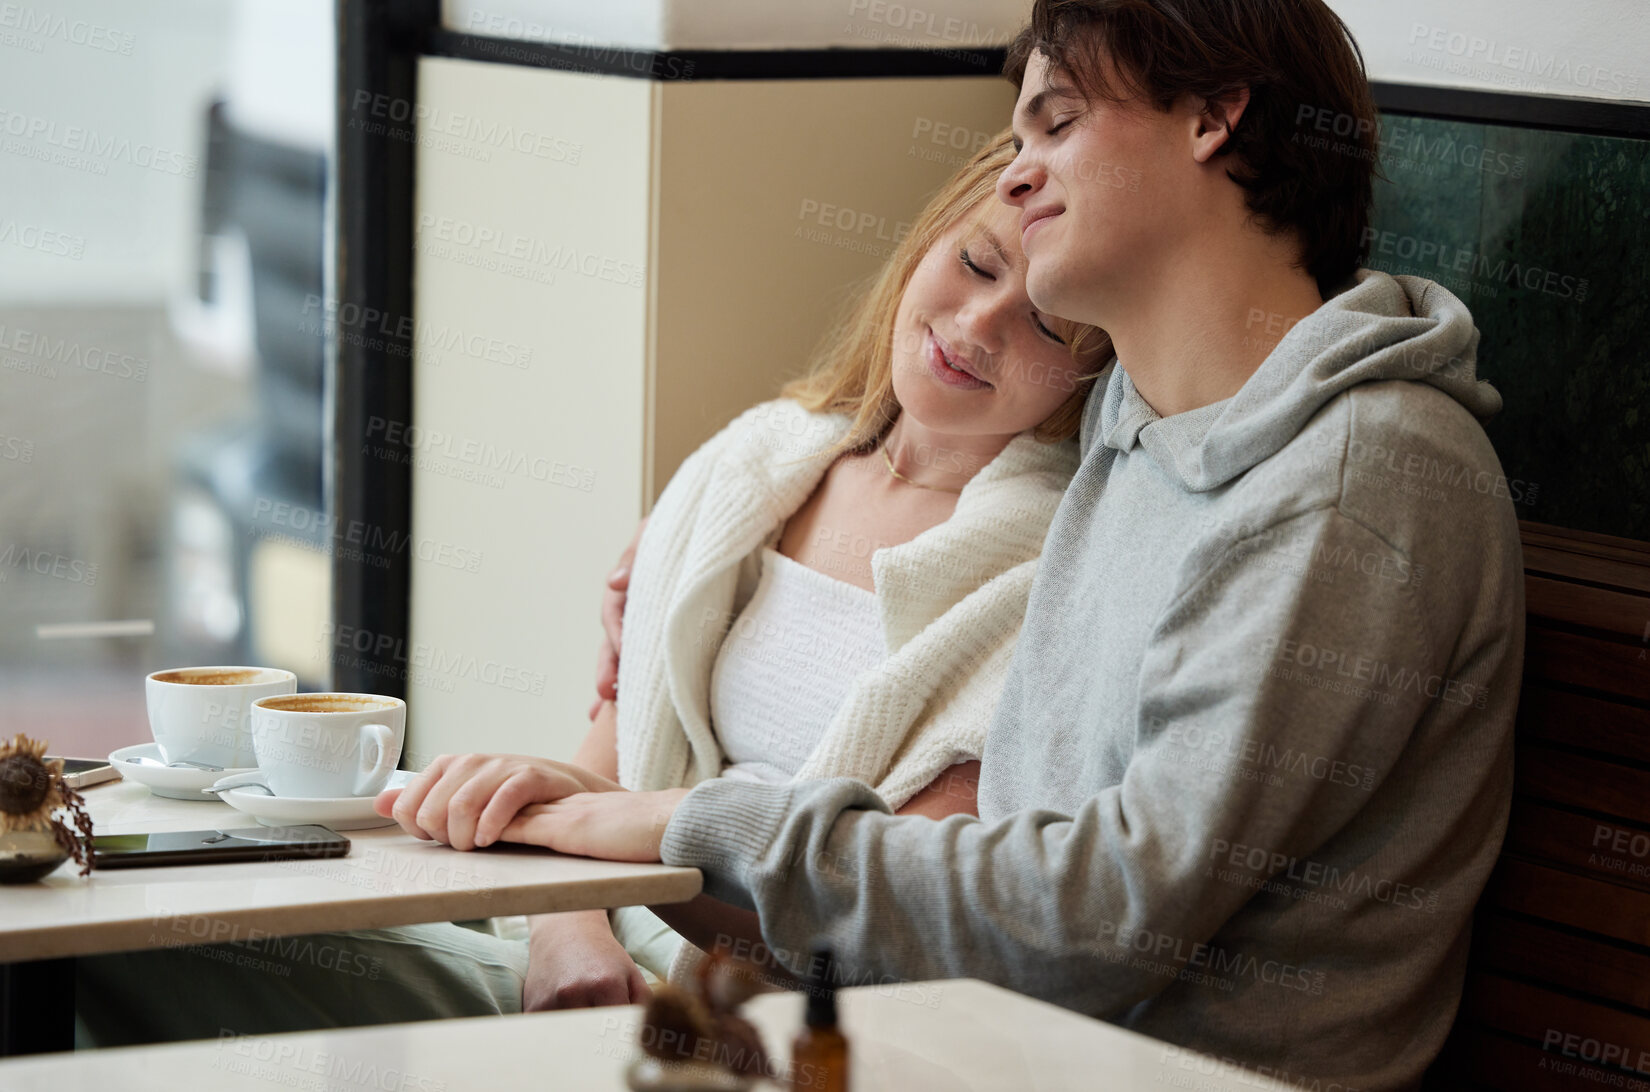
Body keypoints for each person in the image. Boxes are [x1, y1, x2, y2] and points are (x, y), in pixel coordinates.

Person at [393, 0, 1525, 1092]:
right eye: (1020, 138)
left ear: (1215, 119)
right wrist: (679, 566)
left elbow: (1107, 915)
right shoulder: (1147, 420)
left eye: (1061, 121)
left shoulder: (1358, 479)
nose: (1020, 175)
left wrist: (680, 824)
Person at [74, 131, 1111, 1042]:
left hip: (738, 1012)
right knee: (148, 911)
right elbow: (607, 743)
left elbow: (884, 913)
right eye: (973, 262)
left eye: (1049, 329)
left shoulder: (1037, 579)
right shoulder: (756, 464)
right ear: (926, 240)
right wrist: (563, 928)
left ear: (1096, 372)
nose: (978, 325)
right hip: (578, 926)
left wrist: (599, 851)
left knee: (145, 958)